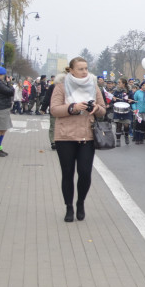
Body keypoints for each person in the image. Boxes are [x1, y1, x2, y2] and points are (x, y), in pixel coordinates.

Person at [50, 57, 106, 222]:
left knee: (85, 173)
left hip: (87, 136)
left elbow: (103, 108)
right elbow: (54, 109)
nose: (84, 72)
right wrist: (72, 107)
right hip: (65, 136)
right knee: (67, 174)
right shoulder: (61, 86)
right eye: (80, 69)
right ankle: (69, 207)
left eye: (86, 69)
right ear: (71, 70)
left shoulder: (93, 86)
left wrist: (97, 109)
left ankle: (80, 202)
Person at [132, 80, 145, 144]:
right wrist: (134, 109)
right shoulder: (137, 92)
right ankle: (137, 138)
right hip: (138, 112)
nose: (144, 87)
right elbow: (134, 102)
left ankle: (141, 138)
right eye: (143, 85)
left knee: (144, 125)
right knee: (138, 125)